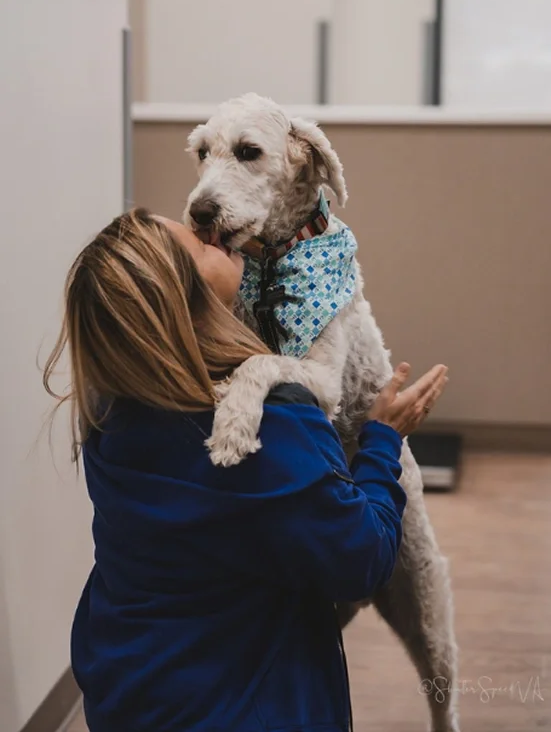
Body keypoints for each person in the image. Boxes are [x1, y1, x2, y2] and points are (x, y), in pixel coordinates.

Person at [44, 208, 448, 732]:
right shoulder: (264, 429)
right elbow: (362, 558)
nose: (208, 229)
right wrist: (382, 441)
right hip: (242, 709)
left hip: (127, 686)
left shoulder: (109, 415)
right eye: (195, 241)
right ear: (182, 300)